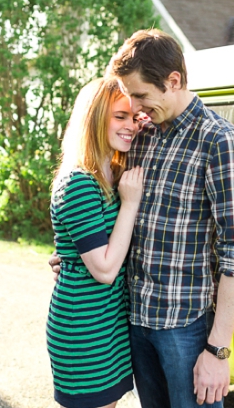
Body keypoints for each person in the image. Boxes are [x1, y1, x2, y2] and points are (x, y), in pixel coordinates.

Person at [52, 29, 234, 408]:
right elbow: (99, 211)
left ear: (174, 81)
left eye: (140, 96)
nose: (135, 108)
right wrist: (72, 257)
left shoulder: (219, 142)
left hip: (184, 327)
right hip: (132, 320)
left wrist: (217, 351)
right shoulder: (142, 134)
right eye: (129, 99)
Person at [47, 77, 145, 408]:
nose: (130, 125)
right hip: (85, 328)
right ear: (95, 117)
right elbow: (103, 269)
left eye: (133, 117)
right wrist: (130, 203)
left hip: (109, 323)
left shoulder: (108, 175)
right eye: (120, 116)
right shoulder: (78, 182)